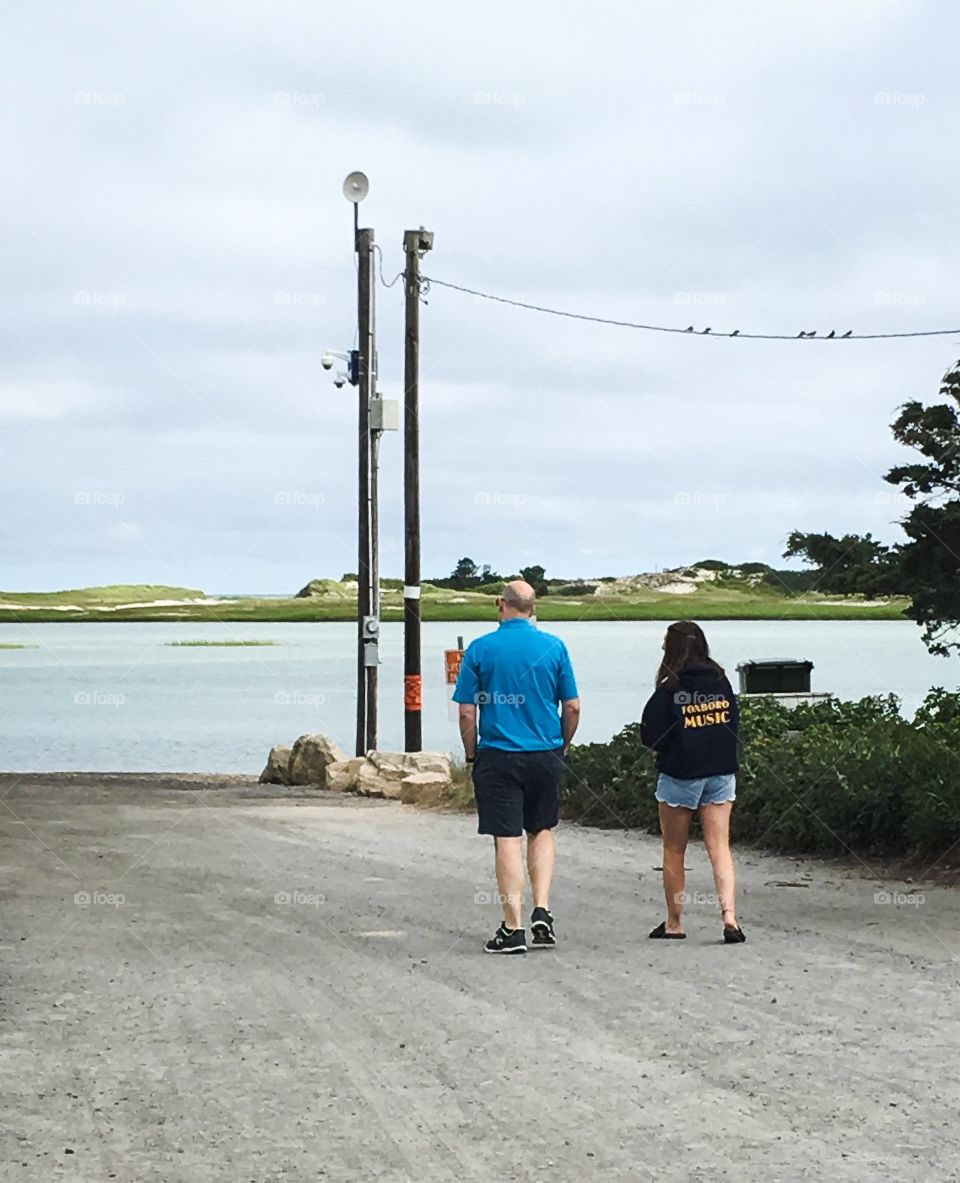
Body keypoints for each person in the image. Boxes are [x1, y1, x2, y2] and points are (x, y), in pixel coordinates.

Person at [454, 580, 581, 954]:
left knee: (506, 838)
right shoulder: (554, 647)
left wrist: (472, 754)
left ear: (501, 604)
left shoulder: (480, 649)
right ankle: (542, 909)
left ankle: (514, 927)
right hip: (546, 752)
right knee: (541, 829)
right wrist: (564, 743)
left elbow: (465, 711)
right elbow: (572, 706)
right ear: (533, 607)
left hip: (498, 753)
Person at [640, 620, 745, 944]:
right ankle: (730, 917)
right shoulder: (721, 680)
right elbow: (733, 723)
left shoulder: (671, 687)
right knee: (720, 847)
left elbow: (651, 734)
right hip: (721, 771)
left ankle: (674, 922)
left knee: (674, 849)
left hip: (680, 774)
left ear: (672, 649)